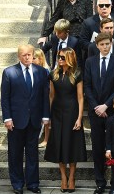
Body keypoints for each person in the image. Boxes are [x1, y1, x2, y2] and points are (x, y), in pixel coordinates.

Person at [1, 44, 50, 194]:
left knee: (32, 153)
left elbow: (44, 96)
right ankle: (17, 184)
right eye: (24, 55)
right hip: (15, 121)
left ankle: (33, 183)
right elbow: (5, 98)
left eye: (30, 54)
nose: (28, 57)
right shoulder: (9, 72)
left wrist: (46, 115)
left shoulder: (41, 72)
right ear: (19, 56)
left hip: (34, 120)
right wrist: (7, 118)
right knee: (15, 153)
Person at [84, 32, 114, 194]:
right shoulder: (90, 62)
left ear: (111, 44)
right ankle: (100, 182)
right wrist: (96, 106)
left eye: (107, 44)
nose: (105, 47)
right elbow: (87, 86)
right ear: (97, 46)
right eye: (102, 44)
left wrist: (106, 105)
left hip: (112, 112)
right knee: (98, 147)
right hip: (96, 113)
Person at [44, 47, 86, 193]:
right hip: (57, 113)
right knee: (59, 145)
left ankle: (72, 177)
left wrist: (79, 118)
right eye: (58, 57)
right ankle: (63, 177)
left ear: (69, 58)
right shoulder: (53, 74)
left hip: (72, 112)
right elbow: (51, 96)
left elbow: (80, 98)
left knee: (72, 145)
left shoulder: (77, 74)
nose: (59, 60)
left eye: (62, 57)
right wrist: (48, 116)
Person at [32, 49, 50, 149]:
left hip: (45, 97)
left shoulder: (46, 71)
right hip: (35, 98)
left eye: (34, 58)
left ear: (40, 58)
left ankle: (46, 139)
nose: (32, 60)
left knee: (47, 120)